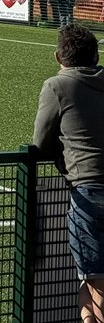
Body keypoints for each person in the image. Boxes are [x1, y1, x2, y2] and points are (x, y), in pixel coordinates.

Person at [33, 24, 104, 321]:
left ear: (59, 56)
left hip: (88, 193)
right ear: (95, 56)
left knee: (95, 283)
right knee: (90, 284)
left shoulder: (57, 86)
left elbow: (40, 142)